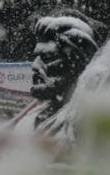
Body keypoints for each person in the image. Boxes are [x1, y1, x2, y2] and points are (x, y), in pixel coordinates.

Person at [9, 16, 97, 150]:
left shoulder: (87, 124)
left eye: (48, 57)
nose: (35, 65)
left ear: (75, 63)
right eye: (36, 57)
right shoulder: (32, 117)